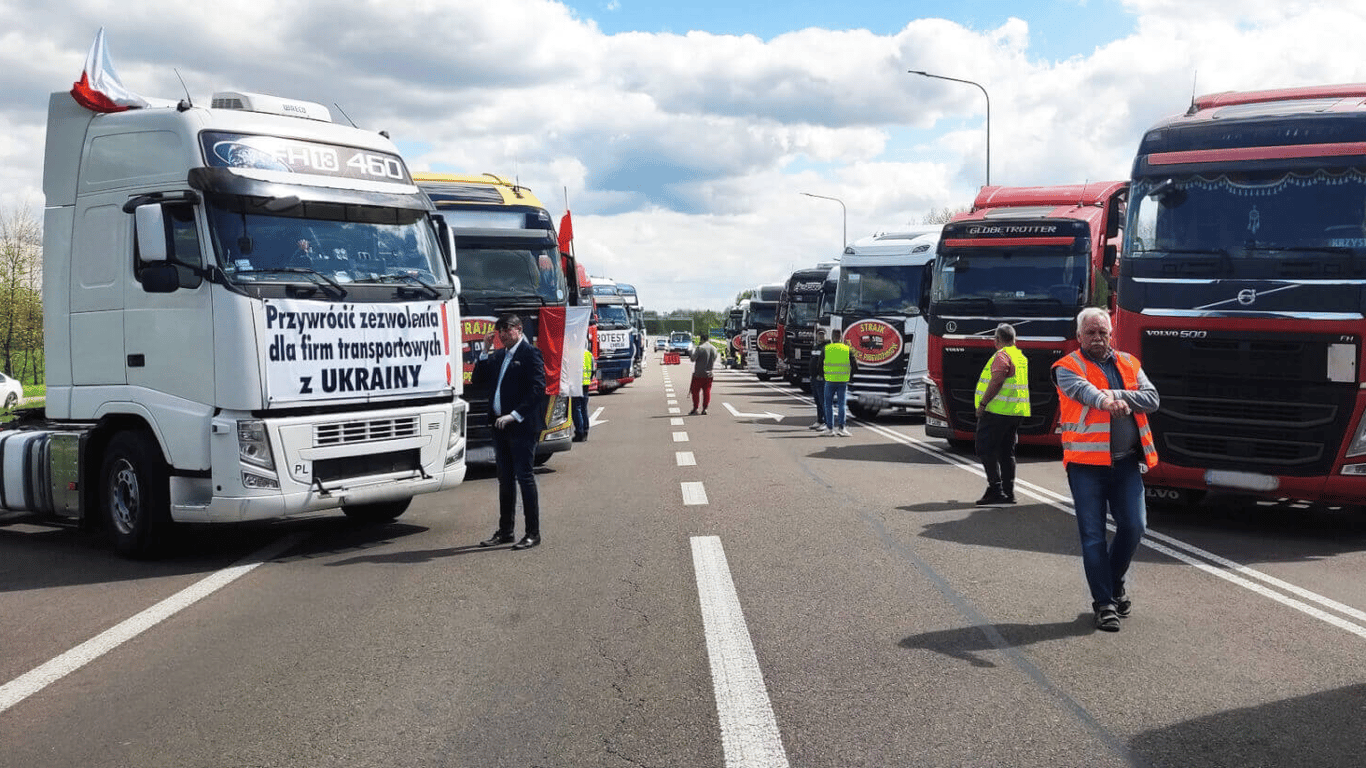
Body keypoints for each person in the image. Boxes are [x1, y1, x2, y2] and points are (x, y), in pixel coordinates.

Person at [1052, 307, 1159, 632]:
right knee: (1093, 537)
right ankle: (1104, 604)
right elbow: (1084, 392)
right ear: (1079, 336)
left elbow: (1152, 398)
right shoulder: (1066, 367)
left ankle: (1113, 584)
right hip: (1086, 466)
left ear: (1111, 335)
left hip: (1125, 462)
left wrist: (1114, 395)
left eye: (1102, 332)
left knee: (1134, 526)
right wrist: (1107, 402)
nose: (1097, 338)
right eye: (1090, 333)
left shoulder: (1129, 363)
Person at [472, 314, 547, 551]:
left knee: (524, 478)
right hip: (499, 427)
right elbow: (478, 380)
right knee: (504, 480)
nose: (502, 334)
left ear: (519, 329)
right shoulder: (499, 355)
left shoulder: (530, 354)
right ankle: (506, 531)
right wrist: (484, 351)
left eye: (507, 329)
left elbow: (537, 389)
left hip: (522, 426)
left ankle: (532, 533)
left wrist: (515, 414)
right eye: (499, 330)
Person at [974, 323, 1030, 505]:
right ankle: (1008, 492)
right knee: (1007, 452)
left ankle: (996, 489)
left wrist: (983, 403)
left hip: (998, 411)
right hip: (1016, 412)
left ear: (997, 340)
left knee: (984, 448)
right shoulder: (1020, 356)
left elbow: (997, 380)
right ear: (1014, 340)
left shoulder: (1002, 355)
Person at [820, 334, 857, 437]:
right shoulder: (847, 349)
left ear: (832, 338)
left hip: (829, 380)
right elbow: (855, 365)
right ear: (841, 338)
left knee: (828, 404)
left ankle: (829, 428)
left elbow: (820, 364)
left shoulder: (826, 348)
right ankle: (842, 428)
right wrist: (849, 376)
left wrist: (823, 376)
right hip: (842, 381)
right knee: (842, 404)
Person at [688, 333, 718, 415]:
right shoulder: (714, 349)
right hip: (709, 374)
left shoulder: (699, 348)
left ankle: (695, 408)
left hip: (698, 374)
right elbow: (714, 359)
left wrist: (690, 352)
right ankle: (705, 408)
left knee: (695, 392)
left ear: (701, 339)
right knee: (707, 391)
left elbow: (693, 359)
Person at [573, 336, 594, 442]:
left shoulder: (574, 354)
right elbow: (593, 370)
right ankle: (585, 431)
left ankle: (579, 432)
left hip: (576, 384)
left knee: (576, 409)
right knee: (584, 409)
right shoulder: (589, 355)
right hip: (586, 385)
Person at [807, 328, 828, 431]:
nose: (821, 336)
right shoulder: (815, 346)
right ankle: (819, 420)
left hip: (821, 378)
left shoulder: (826, 347)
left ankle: (825, 421)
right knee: (817, 401)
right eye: (819, 334)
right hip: (814, 378)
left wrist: (822, 375)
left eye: (822, 334)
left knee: (823, 400)